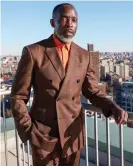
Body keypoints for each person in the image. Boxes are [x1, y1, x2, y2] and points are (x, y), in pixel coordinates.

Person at [11, 3, 128, 166]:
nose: (70, 24)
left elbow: (92, 91)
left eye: (74, 20)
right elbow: (18, 96)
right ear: (53, 23)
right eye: (64, 19)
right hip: (43, 135)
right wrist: (30, 131)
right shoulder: (34, 52)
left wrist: (113, 107)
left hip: (72, 136)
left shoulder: (84, 55)